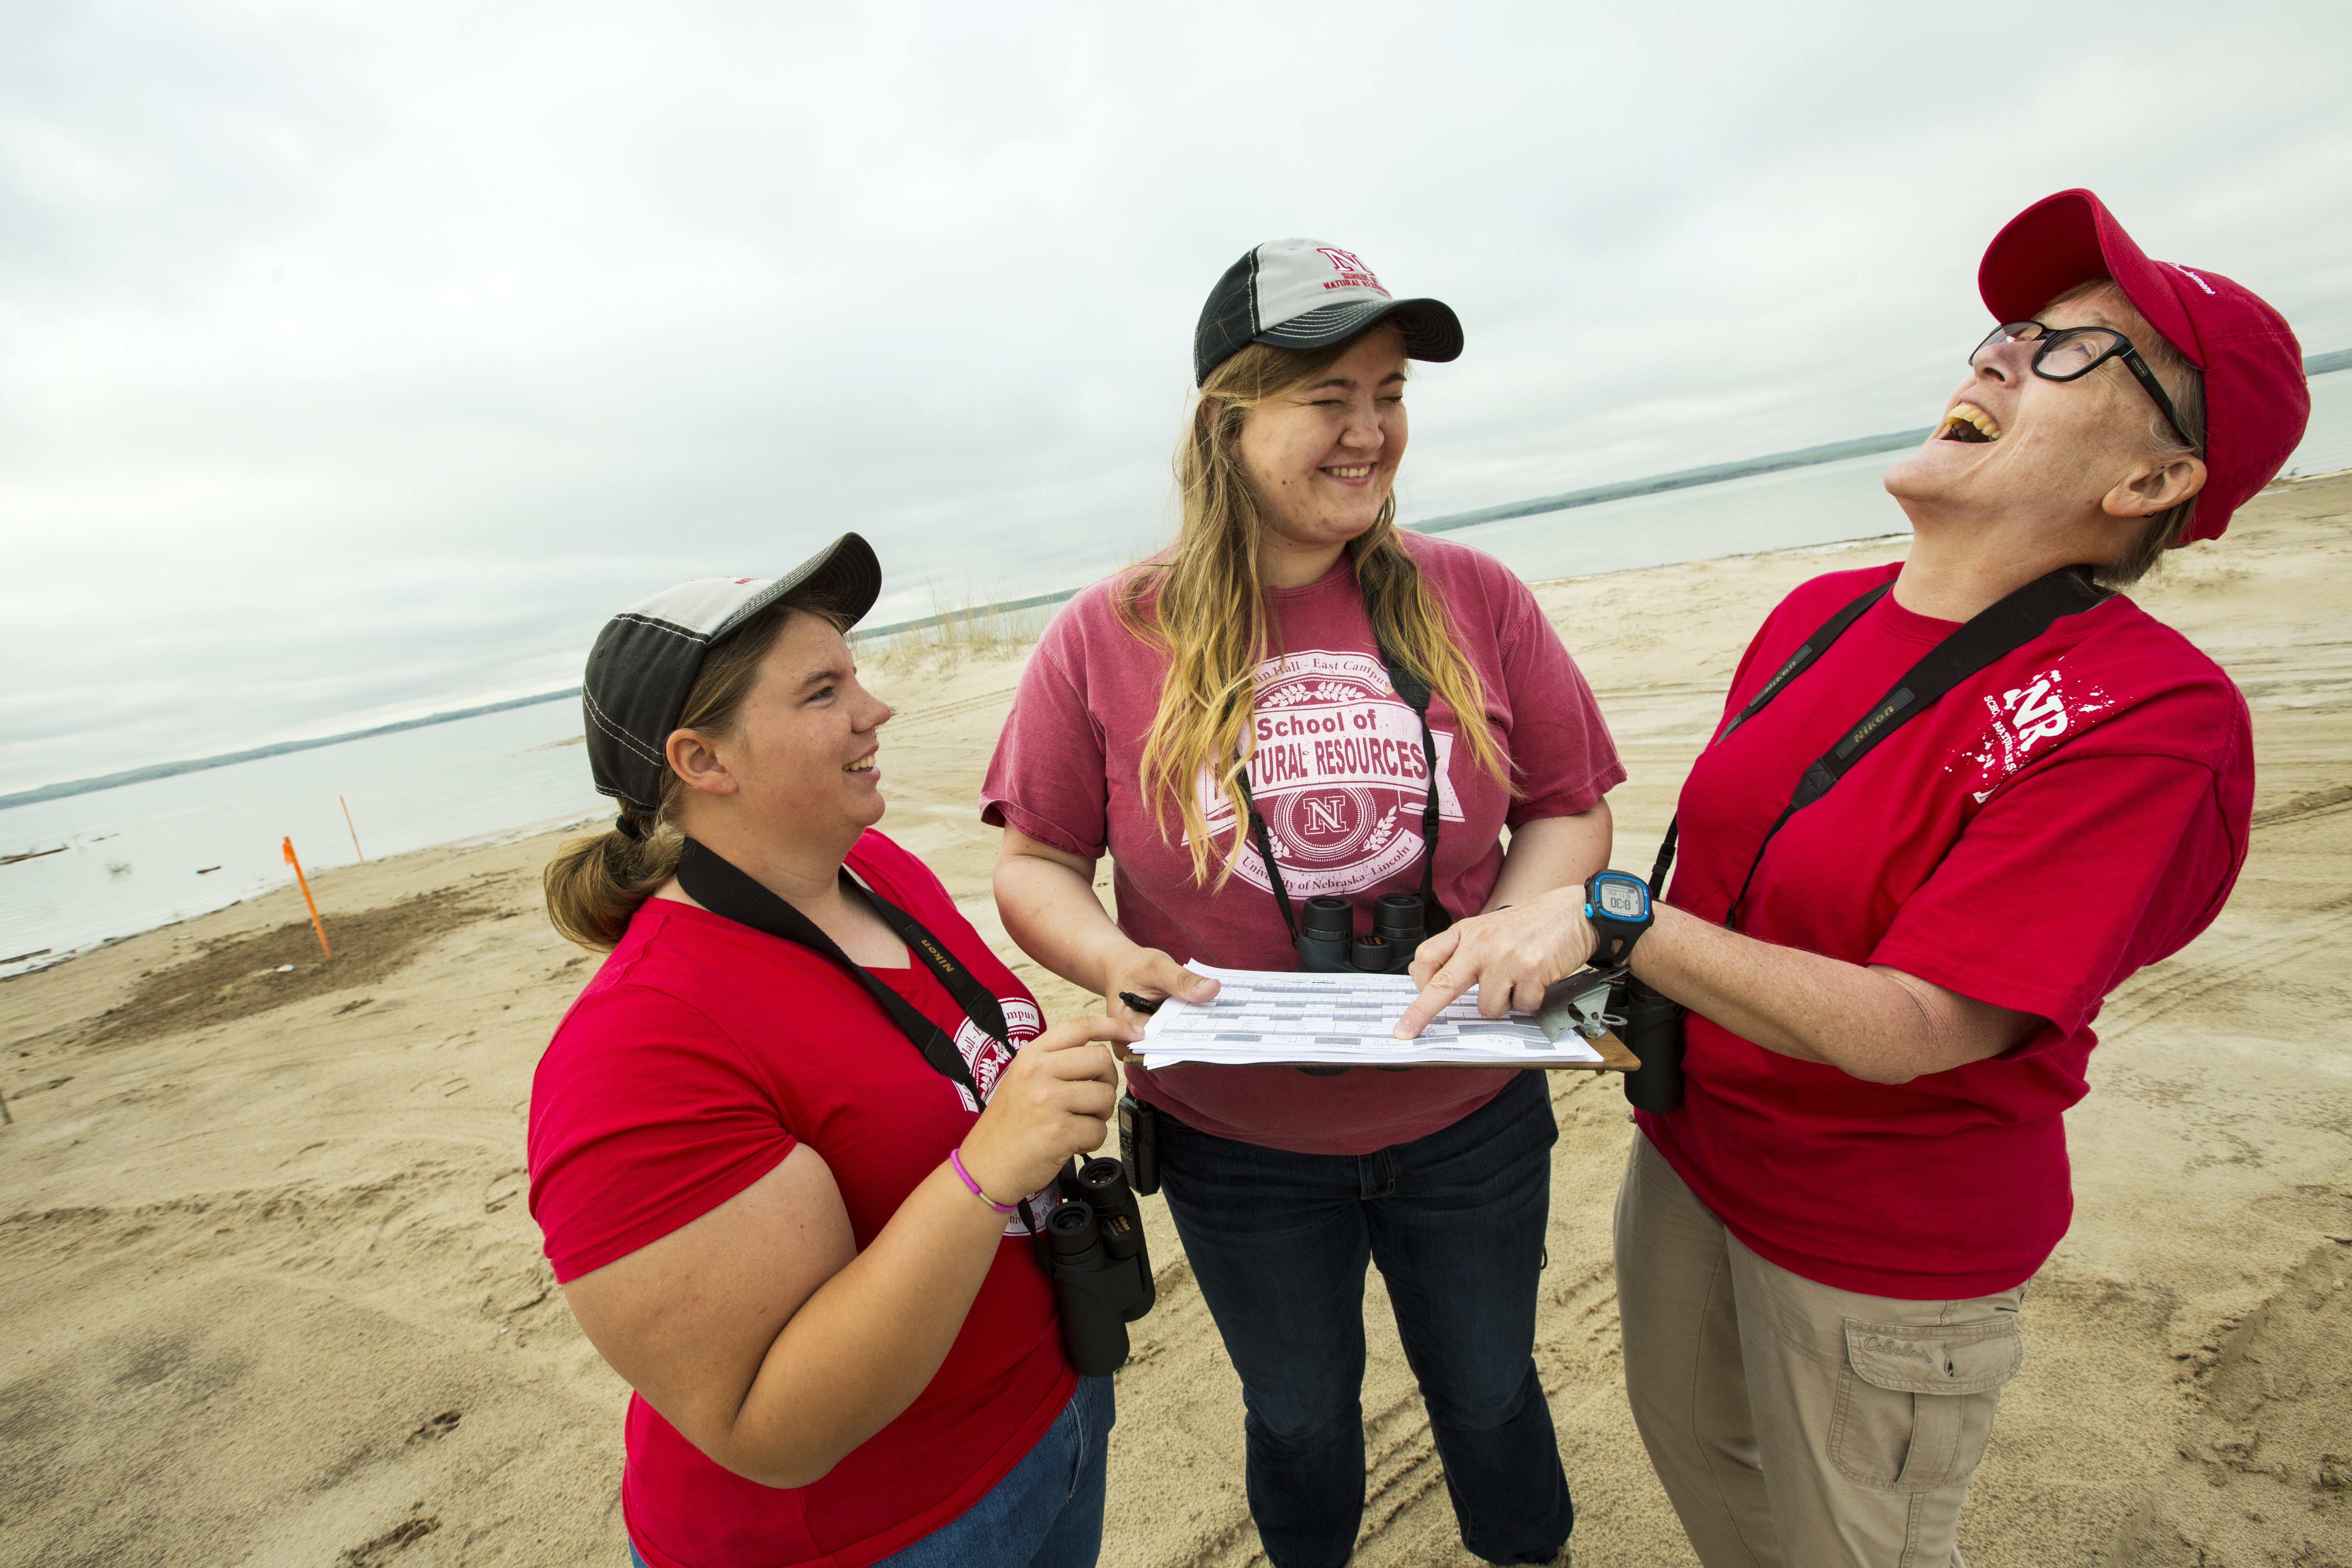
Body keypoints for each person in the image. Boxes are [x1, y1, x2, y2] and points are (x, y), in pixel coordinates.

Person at [1393, 189, 2311, 1566]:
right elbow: (1727, 900)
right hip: (1693, 1161)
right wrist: (1576, 971)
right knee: (1721, 1502)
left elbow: (1921, 1026)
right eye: (2010, 331)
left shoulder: (2149, 713)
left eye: (2075, 351)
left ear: (2153, 483)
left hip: (1880, 1247)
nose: (2000, 354)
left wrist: (1609, 919)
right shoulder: (1814, 616)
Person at [984, 238, 1624, 1568]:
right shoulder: (1109, 633)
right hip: (1235, 1143)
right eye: (1328, 397)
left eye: (1389, 393)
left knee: (1496, 1392)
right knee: (1297, 1415)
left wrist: (1513, 924)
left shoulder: (1475, 596)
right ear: (1227, 421)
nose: (1370, 431)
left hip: (1470, 1119)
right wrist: (1112, 958)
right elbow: (1036, 860)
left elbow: (1569, 801)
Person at [526, 534, 1139, 1568]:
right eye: (822, 692)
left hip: (1050, 1428)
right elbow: (770, 1427)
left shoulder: (877, 869)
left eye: (855, 674)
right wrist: (991, 1163)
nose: (875, 709)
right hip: (876, 1537)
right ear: (702, 761)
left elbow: (955, 1070)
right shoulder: (639, 1049)